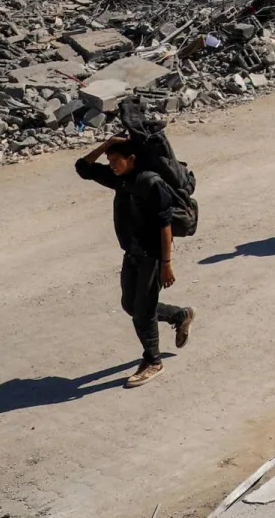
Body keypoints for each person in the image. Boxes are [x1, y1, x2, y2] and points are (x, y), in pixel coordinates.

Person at [76, 138, 195, 389]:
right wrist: (108, 143)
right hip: (132, 252)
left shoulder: (151, 183)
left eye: (115, 161)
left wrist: (166, 264)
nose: (111, 166)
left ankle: (153, 361)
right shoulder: (120, 178)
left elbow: (165, 226)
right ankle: (179, 315)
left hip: (152, 256)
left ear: (131, 159)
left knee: (142, 309)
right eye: (109, 162)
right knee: (131, 304)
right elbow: (83, 168)